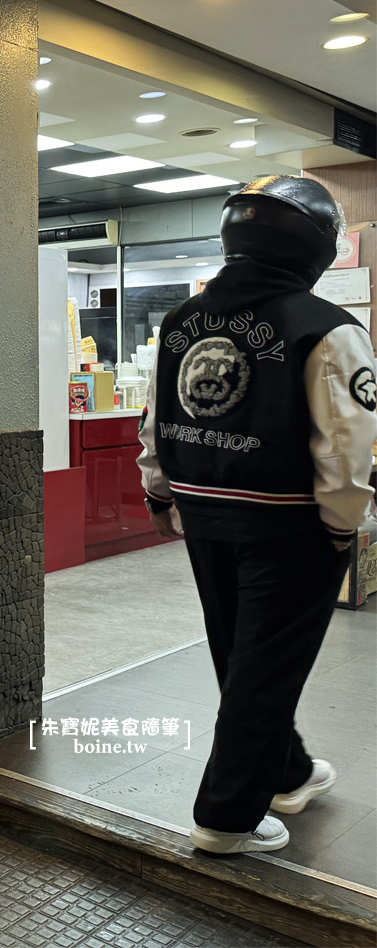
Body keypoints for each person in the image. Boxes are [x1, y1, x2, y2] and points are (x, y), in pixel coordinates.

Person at [138, 175, 377, 856]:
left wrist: (160, 493)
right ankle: (227, 815)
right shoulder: (327, 328)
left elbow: (157, 419)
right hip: (292, 525)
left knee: (241, 654)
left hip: (205, 518)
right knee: (267, 664)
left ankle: (288, 771)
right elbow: (347, 444)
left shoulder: (183, 321)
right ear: (317, 246)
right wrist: (342, 522)